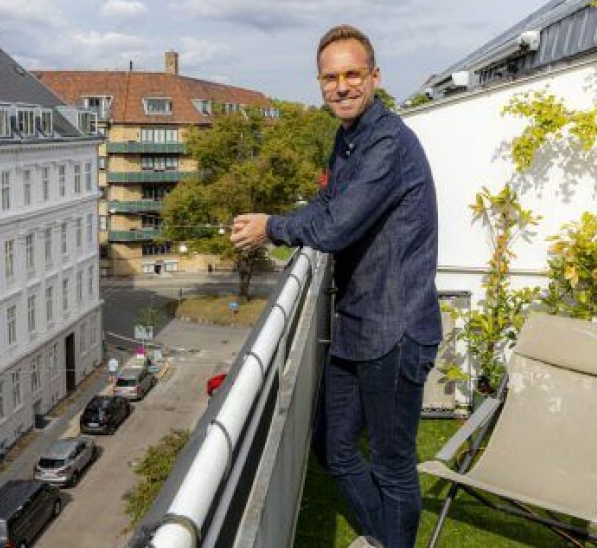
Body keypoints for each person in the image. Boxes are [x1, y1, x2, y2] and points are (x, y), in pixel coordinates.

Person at [230, 24, 441, 548]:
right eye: (330, 77)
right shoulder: (350, 139)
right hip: (358, 323)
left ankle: (392, 542)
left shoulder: (388, 141)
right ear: (319, 83)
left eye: (352, 74)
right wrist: (279, 218)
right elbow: (327, 205)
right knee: (333, 446)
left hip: (395, 328)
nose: (341, 86)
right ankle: (385, 537)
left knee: (393, 465)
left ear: (375, 77)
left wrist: (271, 228)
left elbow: (335, 227)